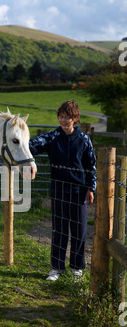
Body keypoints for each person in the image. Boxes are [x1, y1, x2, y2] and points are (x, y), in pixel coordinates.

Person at [29, 100, 97, 281]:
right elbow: (31, 146)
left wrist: (91, 188)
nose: (63, 120)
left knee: (79, 230)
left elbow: (91, 165)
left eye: (67, 117)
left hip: (78, 191)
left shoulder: (84, 140)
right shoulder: (52, 137)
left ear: (76, 119)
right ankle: (56, 268)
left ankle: (77, 268)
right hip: (58, 190)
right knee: (59, 231)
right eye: (61, 117)